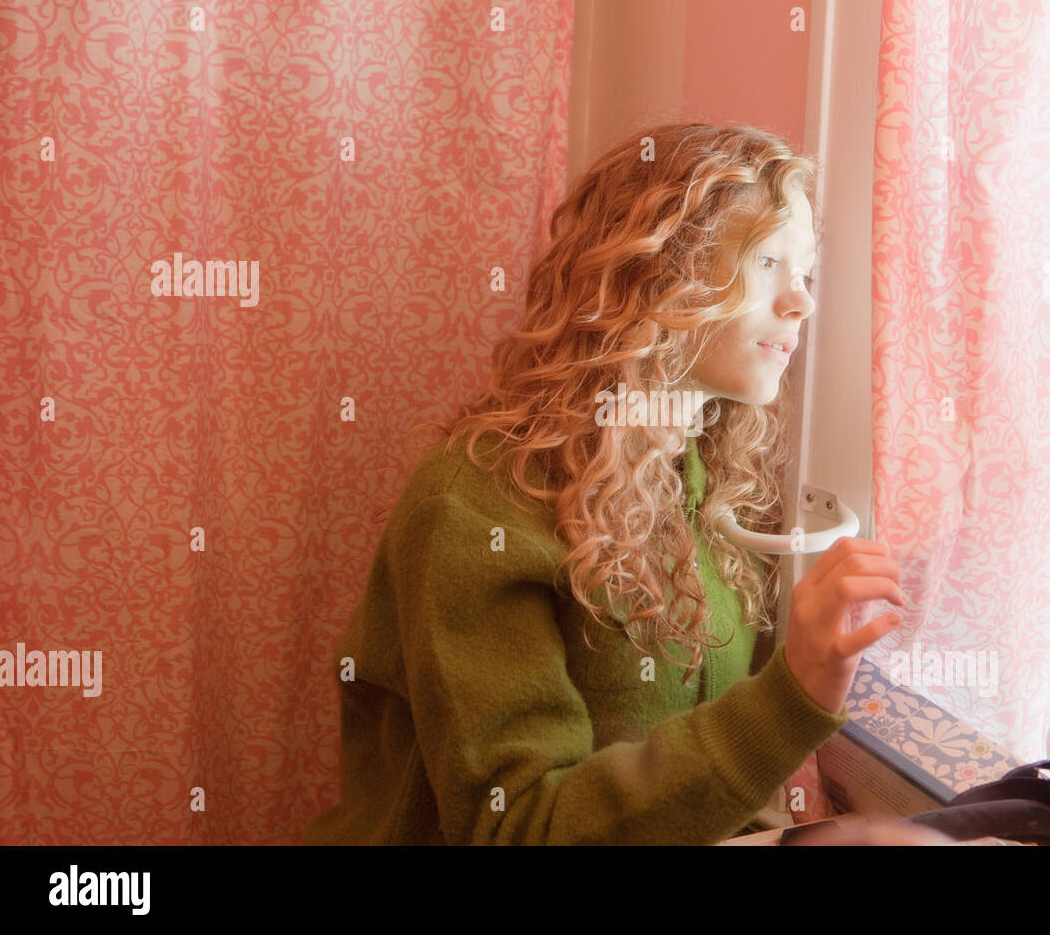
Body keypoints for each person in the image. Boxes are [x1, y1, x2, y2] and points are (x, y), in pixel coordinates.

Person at [301, 122, 905, 845]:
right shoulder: (473, 505)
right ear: (651, 277)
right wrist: (790, 698)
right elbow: (521, 829)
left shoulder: (697, 477)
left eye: (804, 273)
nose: (801, 303)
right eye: (768, 262)